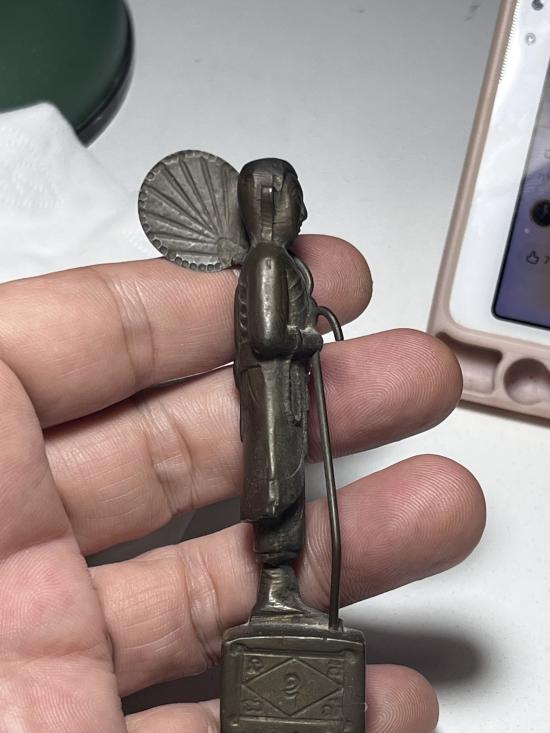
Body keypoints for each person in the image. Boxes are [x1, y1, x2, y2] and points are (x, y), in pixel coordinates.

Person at [0, 234, 485, 733]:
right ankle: (276, 591)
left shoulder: (276, 263)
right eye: (285, 199)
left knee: (285, 488)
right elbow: (269, 338)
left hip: (280, 392)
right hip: (272, 393)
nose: (297, 211)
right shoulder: (270, 262)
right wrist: (308, 339)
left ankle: (281, 591)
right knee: (277, 489)